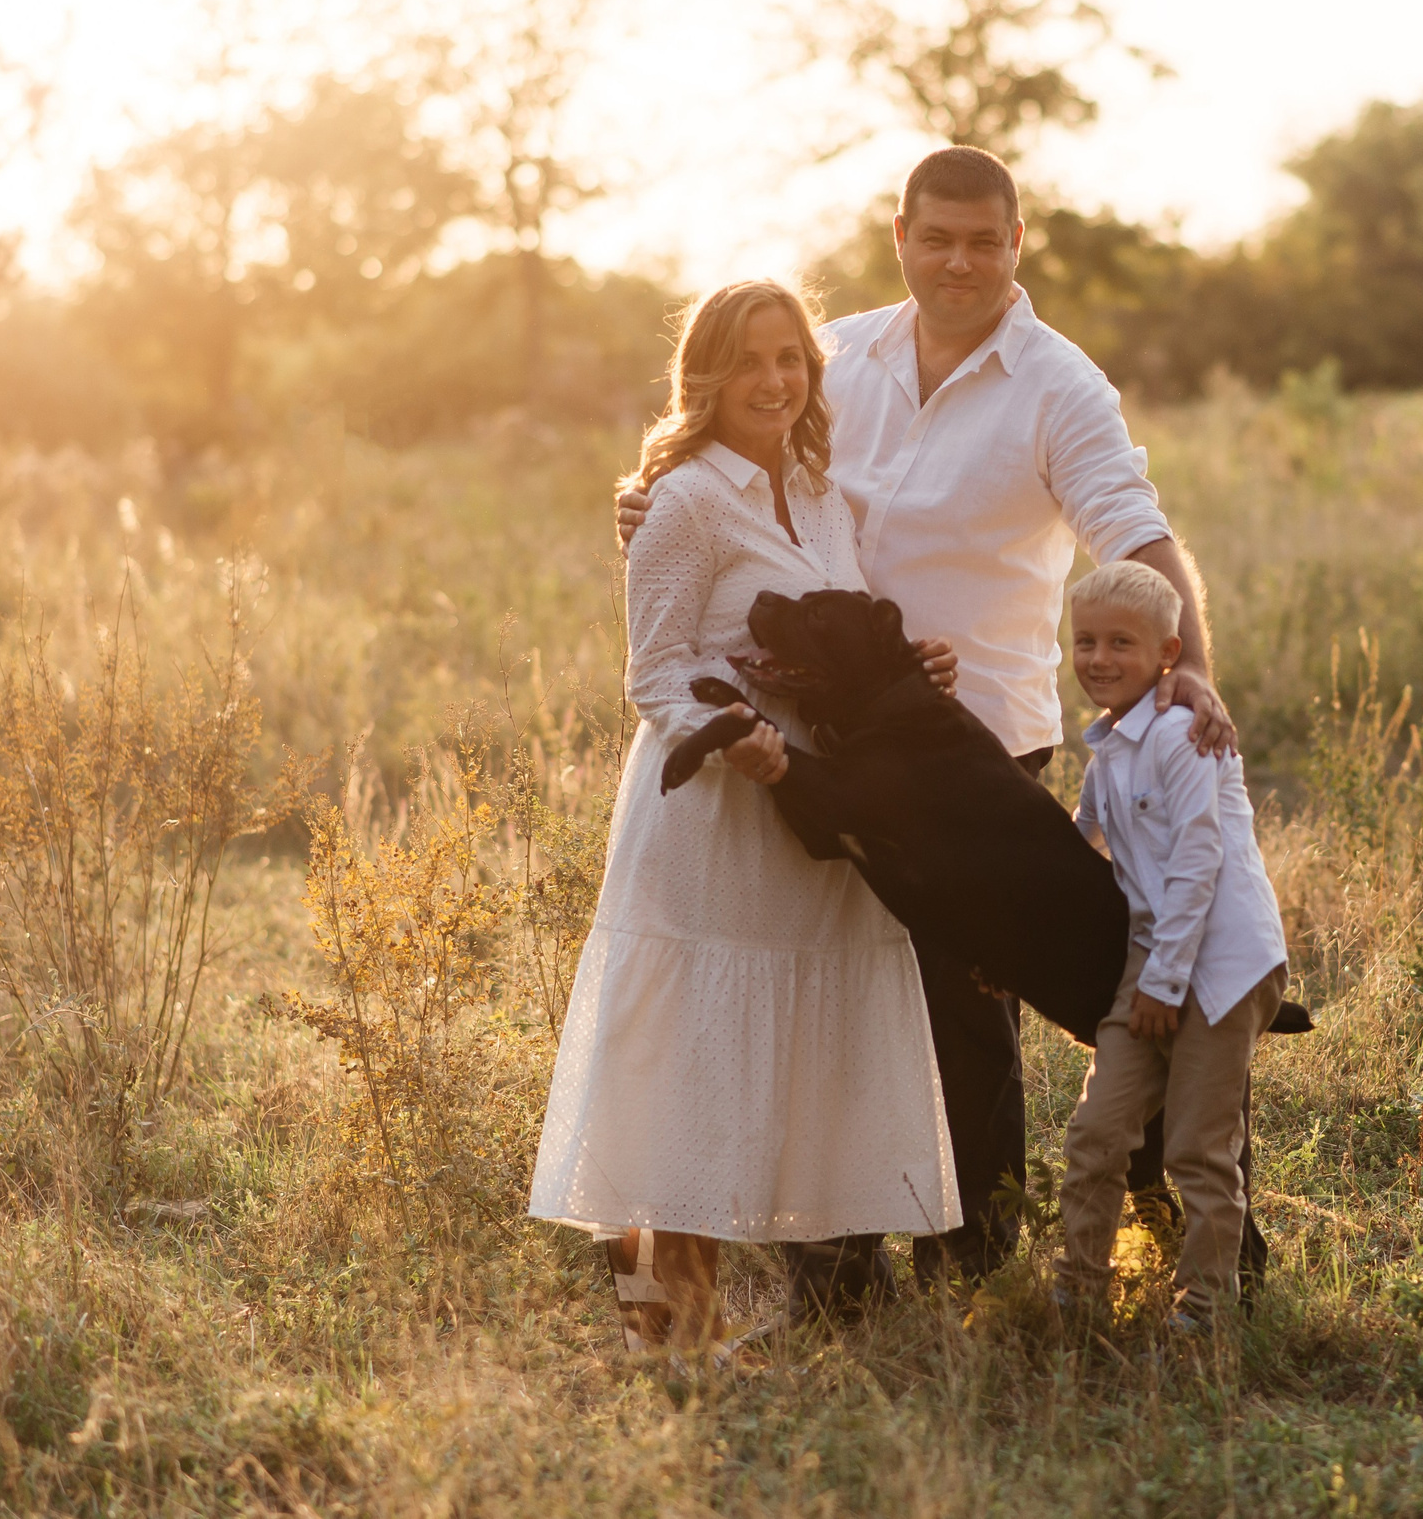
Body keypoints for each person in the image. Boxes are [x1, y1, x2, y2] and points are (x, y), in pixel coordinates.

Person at [619, 146, 1238, 1284]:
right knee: (842, 995)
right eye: (936, 237)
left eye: (983, 240)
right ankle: (838, 1250)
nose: (959, 260)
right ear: (898, 233)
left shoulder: (1057, 384)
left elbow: (1133, 530)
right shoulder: (834, 354)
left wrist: (1185, 666)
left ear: (1017, 245)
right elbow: (746, 455)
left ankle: (976, 1256)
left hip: (975, 738)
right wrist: (661, 495)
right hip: (820, 741)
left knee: (969, 1007)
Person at [530, 279, 960, 1353]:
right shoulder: (680, 499)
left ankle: (766, 1308)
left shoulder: (817, 491)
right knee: (678, 1066)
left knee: (785, 1058)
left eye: (792, 360)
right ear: (706, 378)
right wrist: (733, 733)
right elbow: (655, 672)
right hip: (712, 811)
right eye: (752, 362)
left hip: (810, 810)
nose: (775, 381)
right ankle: (660, 1328)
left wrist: (906, 669)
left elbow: (825, 641)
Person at [1051, 561, 1286, 1332]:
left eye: (1122, 642)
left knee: (1197, 1147)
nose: (1098, 659)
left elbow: (1198, 864)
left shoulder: (1187, 735)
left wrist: (1165, 981)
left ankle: (1207, 1308)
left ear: (1168, 652)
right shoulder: (1109, 751)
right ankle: (1077, 1291)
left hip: (1216, 962)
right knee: (1095, 1131)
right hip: (1151, 963)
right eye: (1085, 641)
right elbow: (1075, 845)